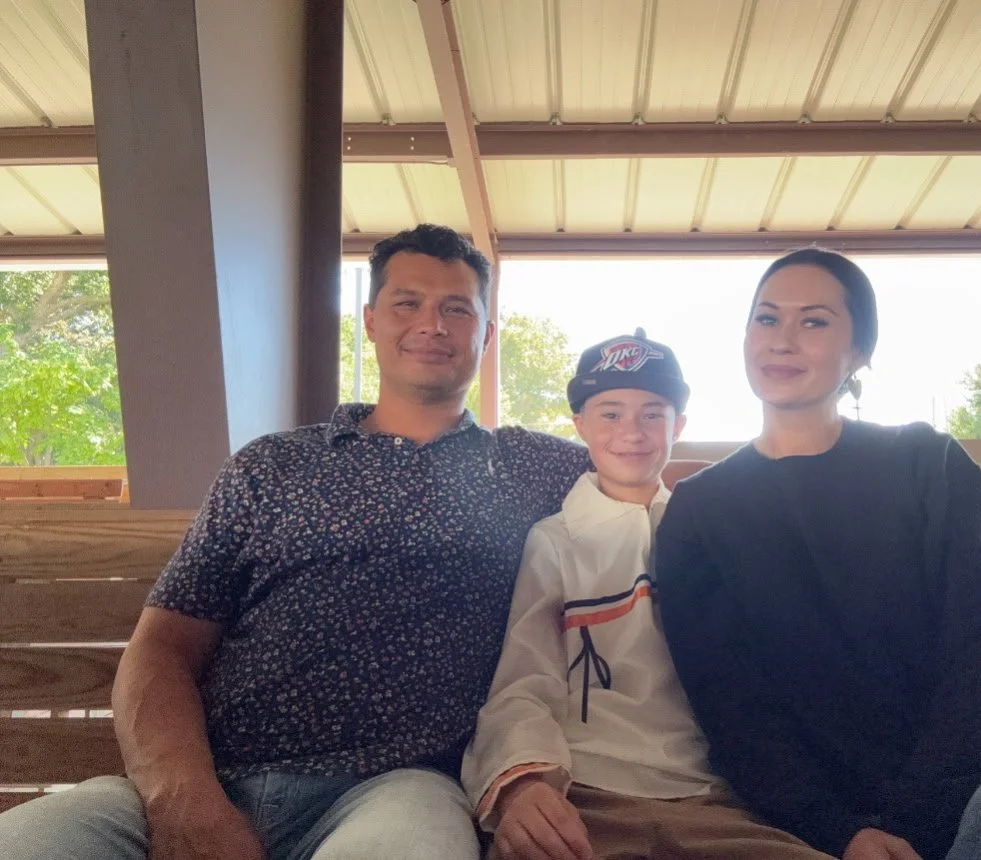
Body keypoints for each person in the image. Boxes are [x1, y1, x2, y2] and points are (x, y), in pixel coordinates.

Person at [0, 224, 593, 860]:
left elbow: (648, 482)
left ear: (486, 333)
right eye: (407, 303)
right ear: (370, 322)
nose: (433, 324)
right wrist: (186, 801)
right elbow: (162, 648)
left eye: (457, 308)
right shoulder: (272, 466)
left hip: (395, 789)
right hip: (205, 781)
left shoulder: (531, 468)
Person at [655, 248, 981, 860]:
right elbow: (731, 703)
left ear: (860, 351)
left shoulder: (927, 463)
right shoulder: (699, 511)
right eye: (766, 319)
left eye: (814, 321)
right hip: (847, 819)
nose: (782, 340)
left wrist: (912, 818)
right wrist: (837, 829)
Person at [463, 329, 830, 860]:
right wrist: (524, 784)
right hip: (588, 796)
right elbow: (524, 680)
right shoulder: (555, 541)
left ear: (678, 424)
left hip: (715, 802)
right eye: (610, 414)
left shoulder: (715, 534)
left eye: (652, 413)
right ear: (580, 425)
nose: (630, 432)